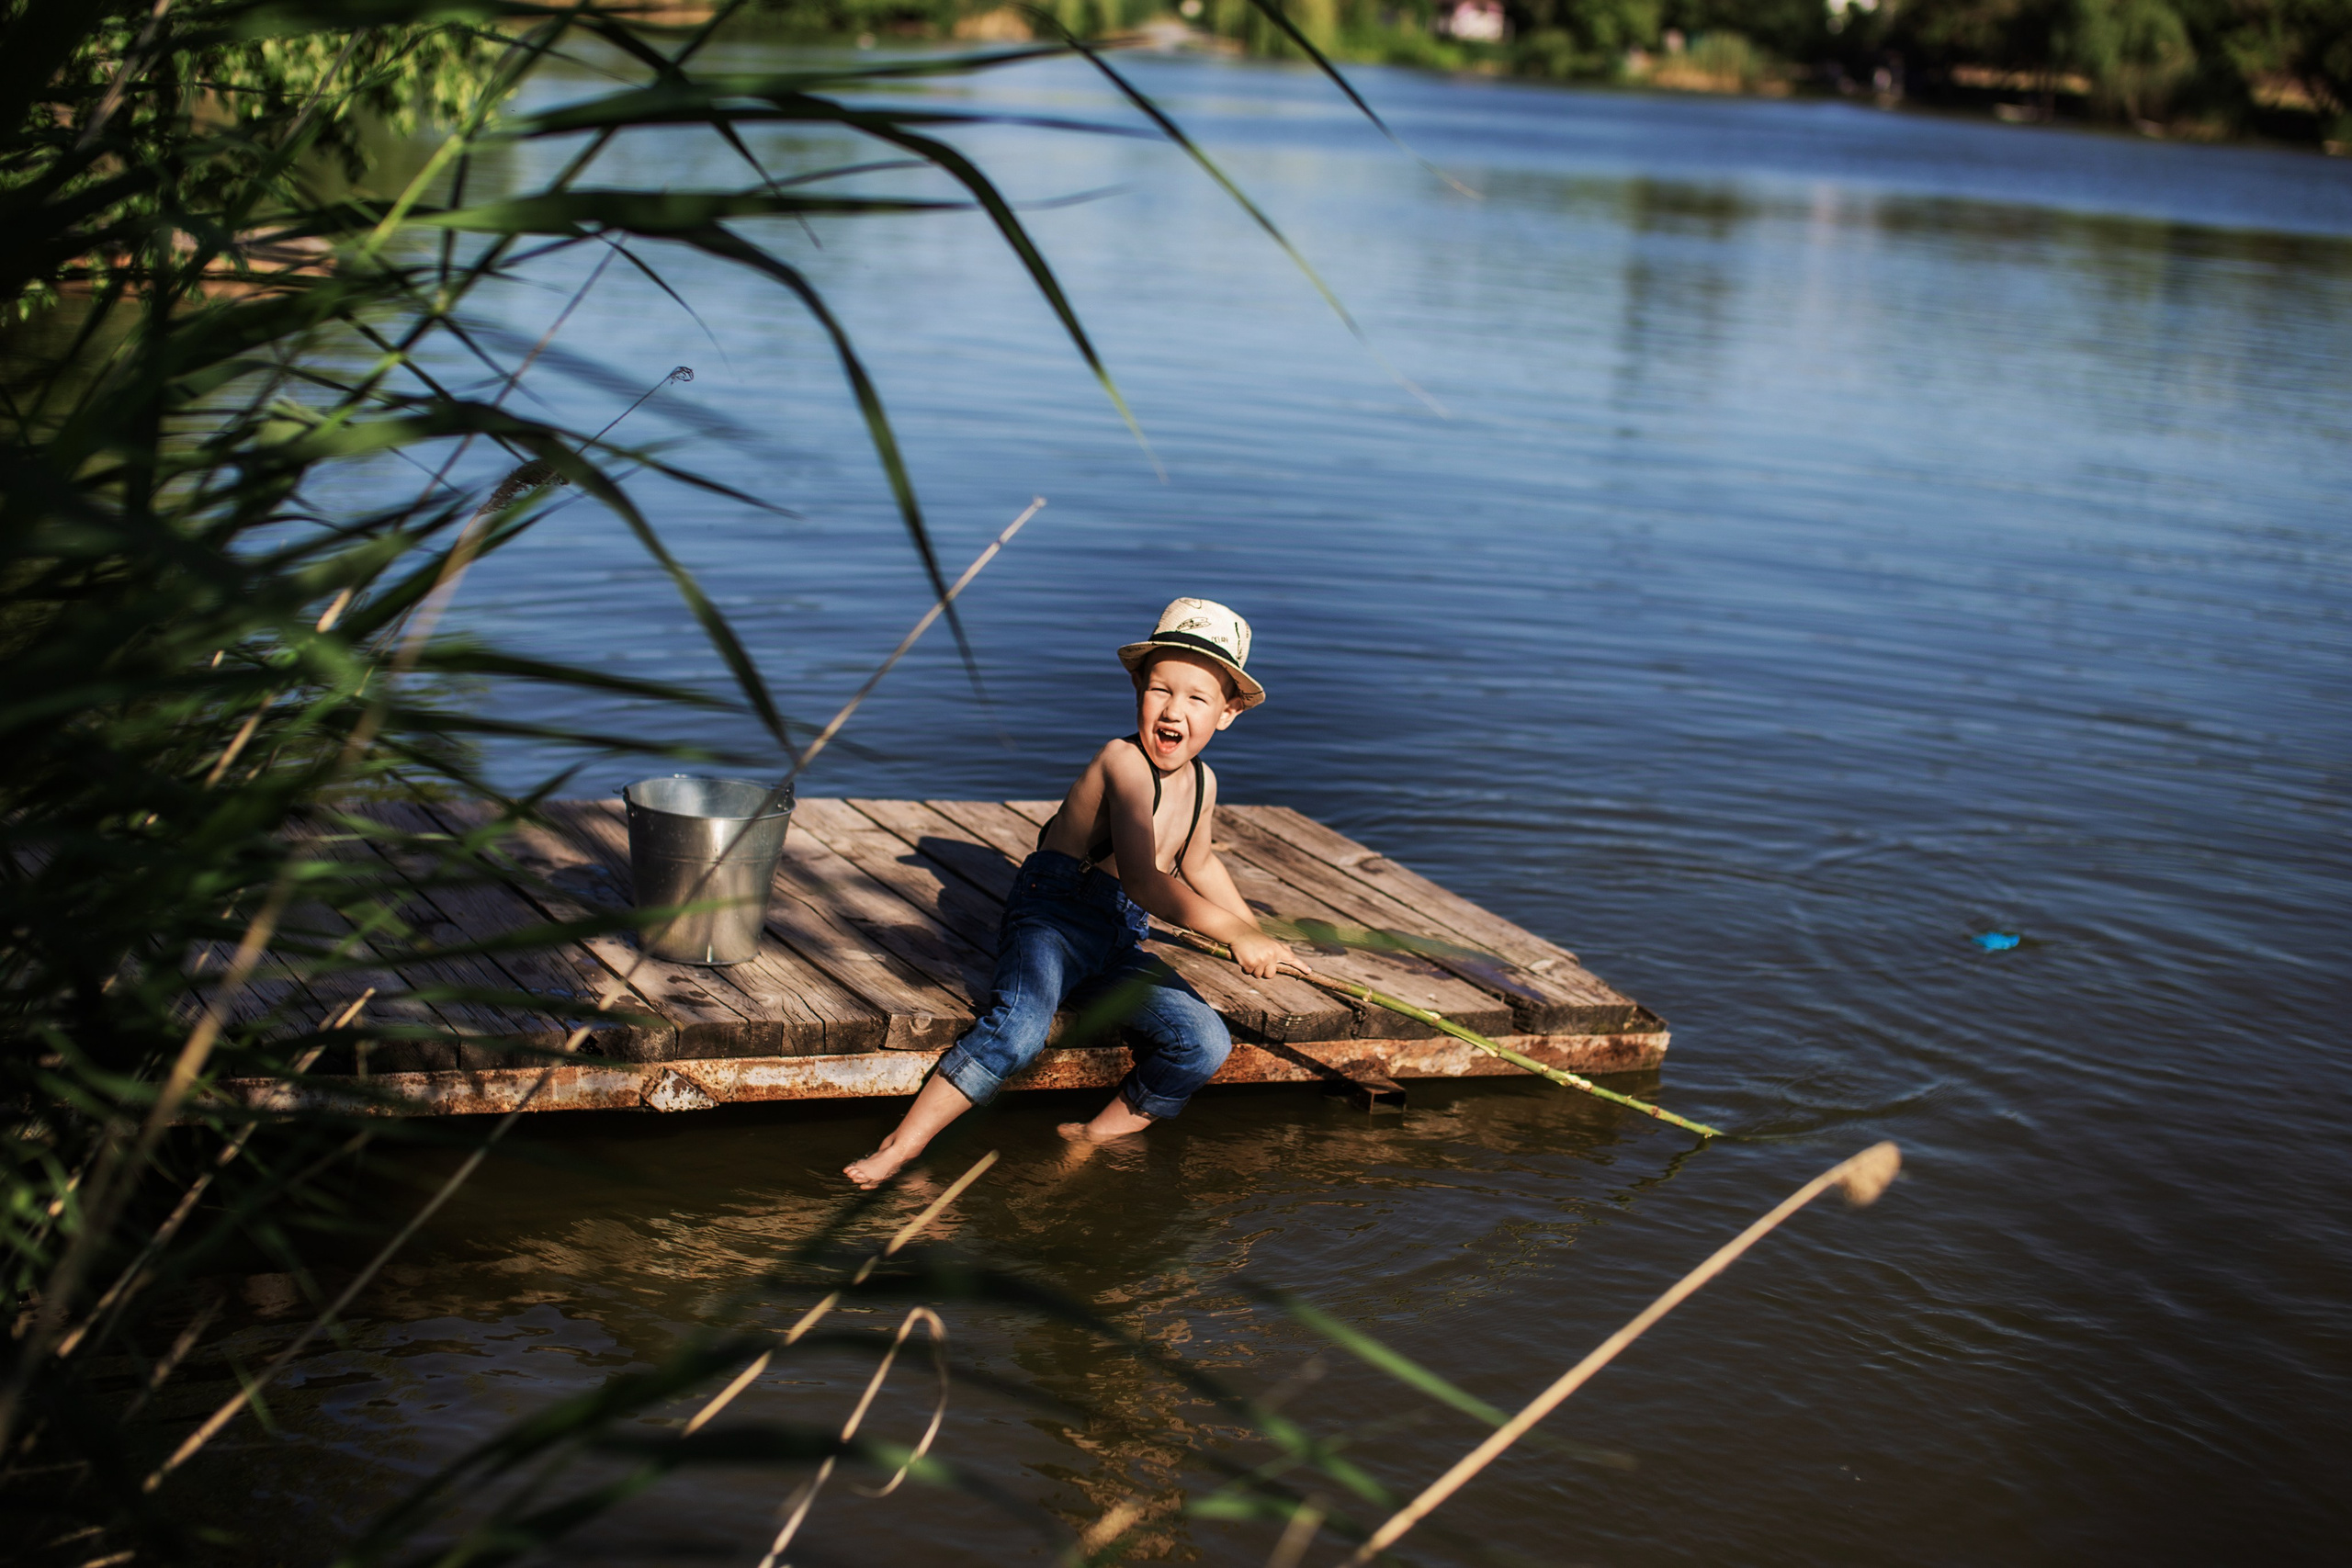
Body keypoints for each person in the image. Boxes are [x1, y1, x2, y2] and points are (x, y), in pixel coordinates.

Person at [843, 598, 1292, 1187]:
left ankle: (1096, 1133)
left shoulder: (1203, 782)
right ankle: (902, 1145)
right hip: (1052, 921)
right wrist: (1231, 932)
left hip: (1116, 937)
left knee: (1203, 1041)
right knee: (1021, 1028)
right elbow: (1145, 880)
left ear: (1229, 712)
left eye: (1196, 698)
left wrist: (1256, 933)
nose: (1172, 710)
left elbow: (1199, 863)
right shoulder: (1122, 763)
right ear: (1137, 686)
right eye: (1160, 690)